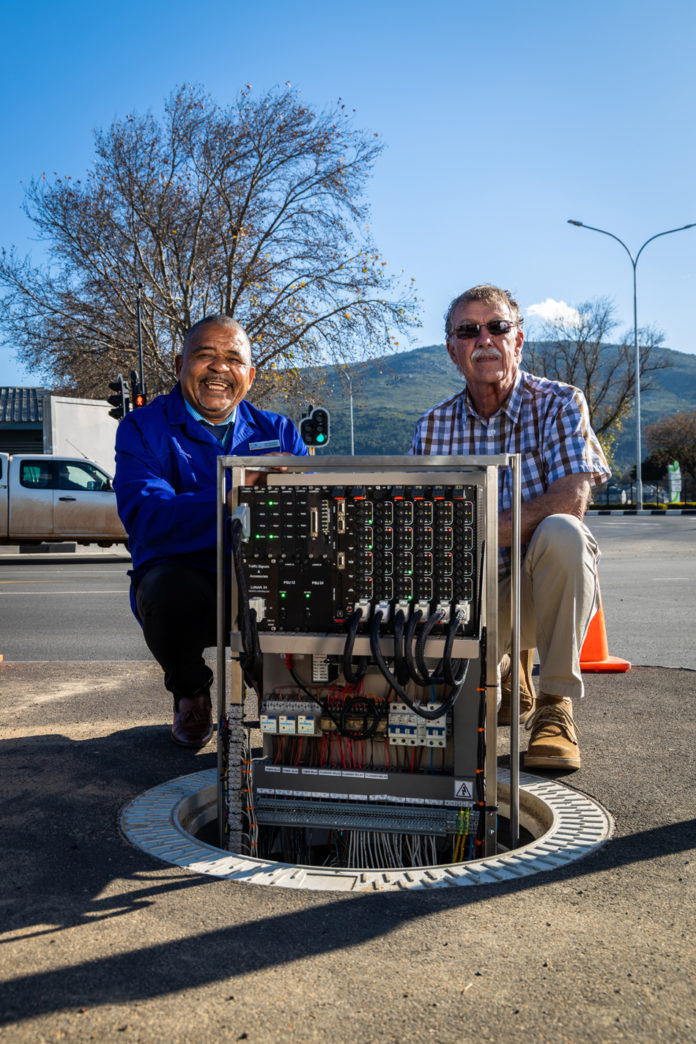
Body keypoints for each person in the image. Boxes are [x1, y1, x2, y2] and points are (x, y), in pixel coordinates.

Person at [411, 285, 610, 771]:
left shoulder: (561, 403)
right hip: (472, 596)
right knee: (442, 732)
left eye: (498, 327)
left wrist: (474, 530)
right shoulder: (432, 428)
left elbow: (572, 499)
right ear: (452, 348)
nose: (485, 338)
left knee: (563, 531)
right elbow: (421, 531)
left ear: (518, 340)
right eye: (468, 330)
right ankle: (500, 668)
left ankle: (553, 706)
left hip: (541, 590)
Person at [114, 315, 308, 748]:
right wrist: (239, 488)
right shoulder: (142, 429)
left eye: (233, 359)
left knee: (302, 588)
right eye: (206, 356)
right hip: (187, 585)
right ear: (180, 362)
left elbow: (301, 521)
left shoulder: (279, 432)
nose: (220, 368)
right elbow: (148, 518)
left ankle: (279, 698)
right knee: (166, 589)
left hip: (260, 578)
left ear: (250, 375)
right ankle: (191, 693)